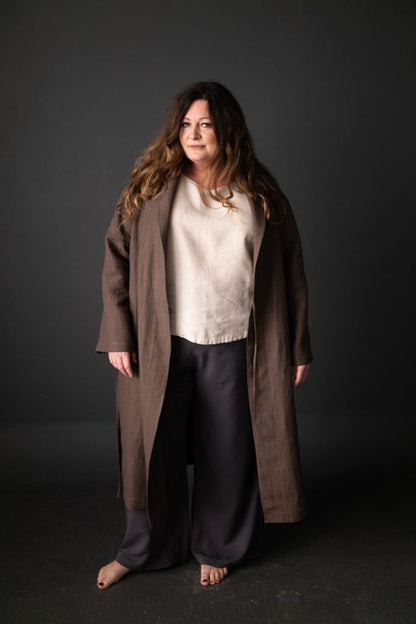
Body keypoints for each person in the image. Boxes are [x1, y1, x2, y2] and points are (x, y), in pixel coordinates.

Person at [95, 82, 312, 590]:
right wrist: (119, 334)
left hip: (238, 342)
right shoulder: (151, 187)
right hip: (161, 341)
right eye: (186, 124)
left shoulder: (261, 192)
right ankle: (146, 548)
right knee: (153, 448)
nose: (193, 135)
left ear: (227, 130)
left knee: (228, 449)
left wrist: (297, 346)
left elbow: (292, 273)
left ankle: (219, 545)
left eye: (206, 124)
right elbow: (116, 259)